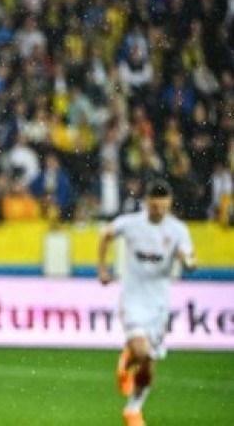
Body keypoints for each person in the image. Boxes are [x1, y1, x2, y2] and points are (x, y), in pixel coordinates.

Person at [97, 180, 196, 426]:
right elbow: (105, 234)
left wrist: (188, 261)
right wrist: (102, 268)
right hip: (133, 299)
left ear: (169, 204)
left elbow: (188, 255)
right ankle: (130, 358)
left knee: (148, 362)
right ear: (147, 203)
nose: (158, 210)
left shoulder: (178, 230)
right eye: (154, 206)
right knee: (142, 351)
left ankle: (133, 408)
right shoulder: (132, 223)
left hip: (159, 304)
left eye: (163, 206)